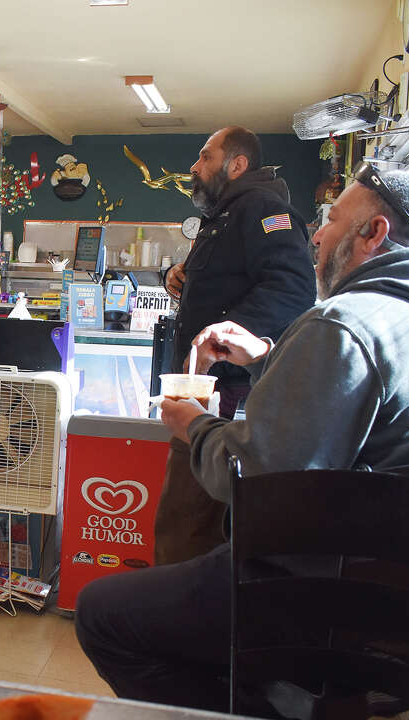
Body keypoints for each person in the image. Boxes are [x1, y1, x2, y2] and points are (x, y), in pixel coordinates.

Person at [75, 165, 409, 711]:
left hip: (320, 602)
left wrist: (193, 426)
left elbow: (257, 483)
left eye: (332, 221)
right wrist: (268, 358)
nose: (319, 236)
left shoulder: (344, 323)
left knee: (103, 614)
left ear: (374, 234)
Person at [155, 126, 315, 564]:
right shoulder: (225, 215)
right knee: (184, 517)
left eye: (205, 157)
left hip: (226, 390)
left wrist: (227, 336)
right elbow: (221, 280)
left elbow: (293, 287)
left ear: (237, 164)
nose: (194, 166)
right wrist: (175, 278)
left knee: (187, 521)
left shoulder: (262, 209)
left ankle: (180, 618)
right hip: (201, 386)